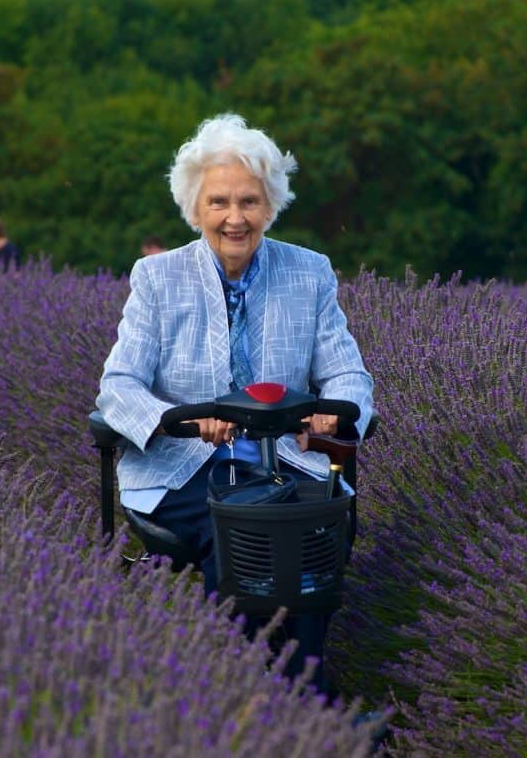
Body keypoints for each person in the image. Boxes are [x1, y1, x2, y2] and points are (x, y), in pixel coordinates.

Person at [96, 113, 374, 695]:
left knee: (314, 532)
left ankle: (288, 703)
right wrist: (182, 422)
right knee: (248, 537)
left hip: (290, 462)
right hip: (181, 468)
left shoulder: (310, 272)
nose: (234, 217)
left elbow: (348, 373)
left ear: (270, 206)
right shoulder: (157, 277)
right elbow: (118, 386)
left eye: (249, 201)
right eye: (218, 201)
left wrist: (337, 412)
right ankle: (268, 703)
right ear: (195, 208)